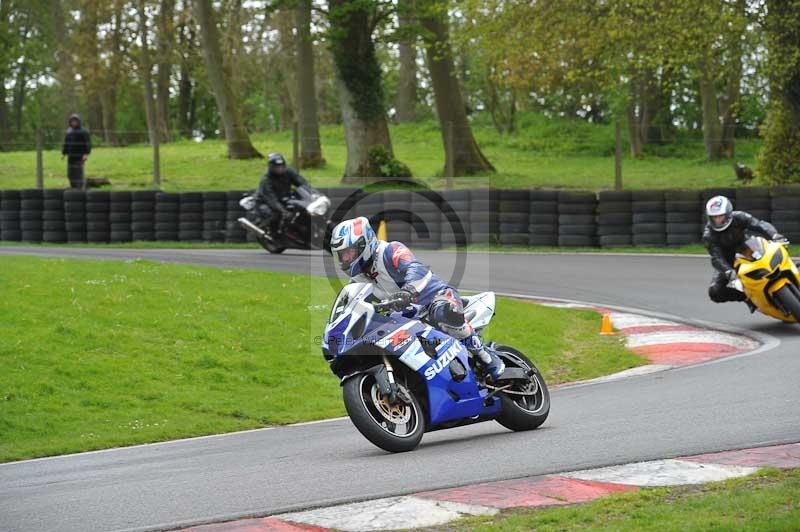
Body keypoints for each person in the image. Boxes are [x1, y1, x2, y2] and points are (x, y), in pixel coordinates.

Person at [330, 216, 506, 381]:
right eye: (342, 255)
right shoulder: (358, 280)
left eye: (349, 253)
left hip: (435, 298)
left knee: (443, 313)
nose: (345, 259)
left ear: (364, 244)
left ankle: (486, 356)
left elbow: (415, 268)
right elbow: (356, 306)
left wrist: (408, 291)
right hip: (407, 317)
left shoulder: (390, 250)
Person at [703, 195, 786, 308]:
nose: (717, 220)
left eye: (720, 216)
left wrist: (775, 235)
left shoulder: (739, 216)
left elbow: (759, 224)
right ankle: (747, 296)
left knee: (774, 253)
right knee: (715, 292)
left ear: (728, 213)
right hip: (727, 259)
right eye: (714, 218)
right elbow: (716, 257)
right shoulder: (709, 235)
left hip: (746, 246)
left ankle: (789, 272)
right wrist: (728, 271)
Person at [254, 152, 317, 234]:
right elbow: (271, 199)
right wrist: (283, 211)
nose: (280, 169)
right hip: (264, 202)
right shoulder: (266, 180)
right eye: (277, 167)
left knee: (301, 209)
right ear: (271, 167)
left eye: (281, 166)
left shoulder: (288, 172)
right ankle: (274, 235)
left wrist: (314, 193)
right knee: (276, 215)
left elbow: (301, 182)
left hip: (284, 199)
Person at [61, 114, 91, 189]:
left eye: (75, 121)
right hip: (70, 156)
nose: (74, 123)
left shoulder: (84, 131)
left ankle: (80, 189)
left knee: (78, 174)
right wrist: (64, 153)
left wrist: (86, 154)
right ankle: (73, 188)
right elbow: (66, 143)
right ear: (70, 122)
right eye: (72, 121)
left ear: (78, 122)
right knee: (70, 174)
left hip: (80, 156)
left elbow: (88, 143)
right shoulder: (69, 131)